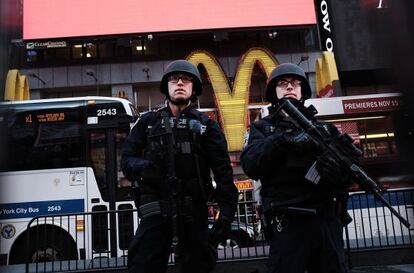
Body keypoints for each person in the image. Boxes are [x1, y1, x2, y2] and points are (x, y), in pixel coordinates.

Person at [121, 60, 238, 273]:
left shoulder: (207, 126)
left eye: (187, 79)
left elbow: (223, 172)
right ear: (166, 87)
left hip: (193, 212)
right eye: (174, 79)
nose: (180, 83)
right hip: (155, 211)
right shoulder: (147, 122)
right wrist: (147, 168)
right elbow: (126, 160)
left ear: (194, 89)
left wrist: (227, 214)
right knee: (142, 264)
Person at [241, 63, 358, 273]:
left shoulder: (324, 129)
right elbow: (251, 165)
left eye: (295, 84)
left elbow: (350, 173)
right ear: (273, 91)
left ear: (303, 91)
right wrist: (281, 139)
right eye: (283, 84)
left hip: (325, 221)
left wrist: (336, 172)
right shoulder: (263, 128)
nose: (289, 87)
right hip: (287, 222)